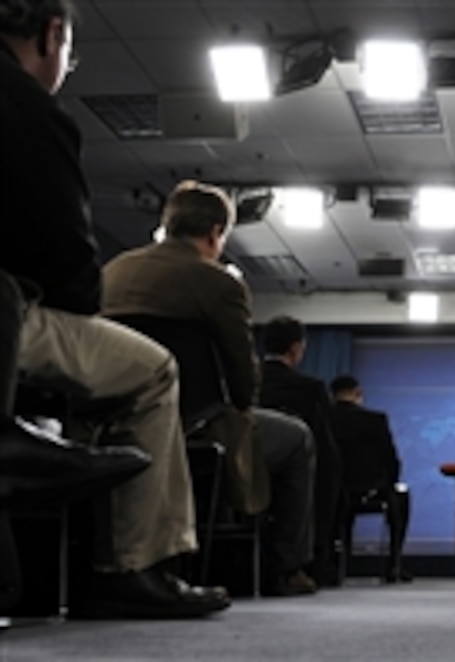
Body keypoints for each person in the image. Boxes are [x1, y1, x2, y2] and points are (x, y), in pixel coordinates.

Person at [0, 0, 229, 618]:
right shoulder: (26, 109)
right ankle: (135, 565)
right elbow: (71, 272)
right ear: (52, 35)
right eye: (70, 52)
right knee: (153, 371)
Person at [101, 181, 319, 597]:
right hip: (195, 422)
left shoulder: (113, 271)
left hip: (108, 420)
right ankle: (288, 568)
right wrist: (241, 408)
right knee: (297, 439)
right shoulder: (218, 281)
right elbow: (242, 379)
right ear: (216, 233)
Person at [260, 316, 343, 587]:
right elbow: (326, 442)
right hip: (296, 474)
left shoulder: (248, 383)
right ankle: (305, 565)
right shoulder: (311, 388)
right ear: (295, 349)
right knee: (327, 470)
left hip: (246, 467)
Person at [328, 375, 412, 584]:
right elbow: (390, 459)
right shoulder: (375, 419)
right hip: (372, 490)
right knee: (401, 498)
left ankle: (331, 566)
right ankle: (394, 565)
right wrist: (390, 482)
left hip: (333, 492)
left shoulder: (324, 419)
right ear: (358, 394)